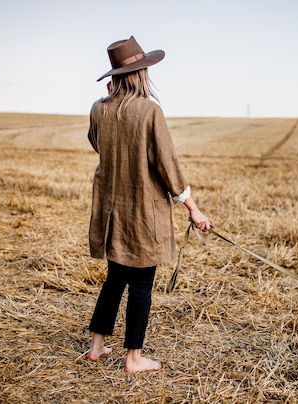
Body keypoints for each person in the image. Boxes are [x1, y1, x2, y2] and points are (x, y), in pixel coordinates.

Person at [85, 36, 210, 374]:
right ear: (141, 73)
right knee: (141, 285)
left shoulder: (99, 108)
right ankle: (133, 358)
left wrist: (108, 101)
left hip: (112, 213)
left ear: (116, 75)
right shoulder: (149, 110)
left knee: (114, 280)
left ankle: (96, 345)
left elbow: (97, 143)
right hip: (143, 214)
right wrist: (193, 209)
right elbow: (168, 163)